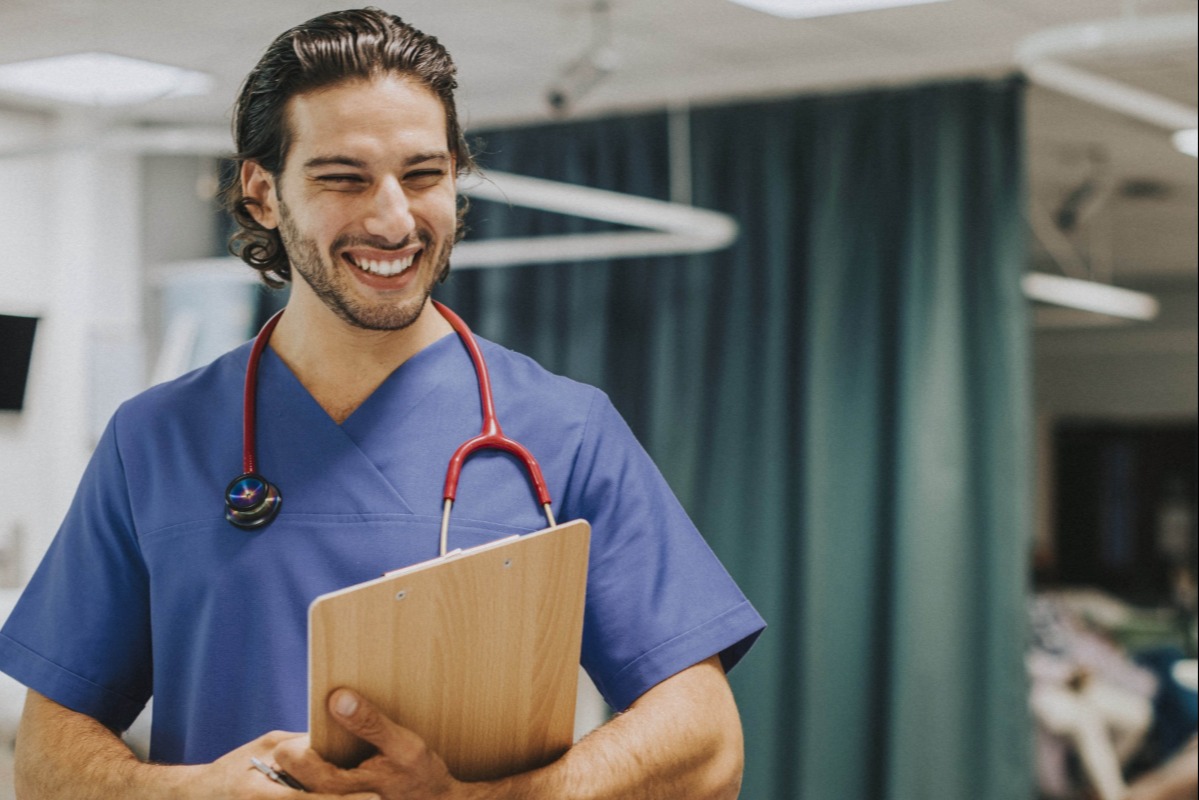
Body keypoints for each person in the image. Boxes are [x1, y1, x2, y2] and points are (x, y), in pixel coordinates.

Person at [0, 8, 765, 799]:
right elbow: (47, 763)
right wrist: (189, 793)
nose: (394, 218)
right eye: (344, 178)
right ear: (262, 193)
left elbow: (705, 744)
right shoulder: (157, 439)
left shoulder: (564, 431)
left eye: (424, 175)